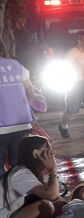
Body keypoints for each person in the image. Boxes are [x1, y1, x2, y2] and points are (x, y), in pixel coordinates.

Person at [0, 136, 61, 218]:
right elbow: (52, 195)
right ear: (35, 154)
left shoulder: (25, 171)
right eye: (47, 149)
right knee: (46, 206)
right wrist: (52, 170)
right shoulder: (21, 173)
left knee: (56, 205)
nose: (52, 153)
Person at [0, 39, 35, 176]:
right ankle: (22, 196)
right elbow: (30, 92)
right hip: (22, 124)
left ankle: (4, 196)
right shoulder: (17, 66)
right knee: (20, 168)